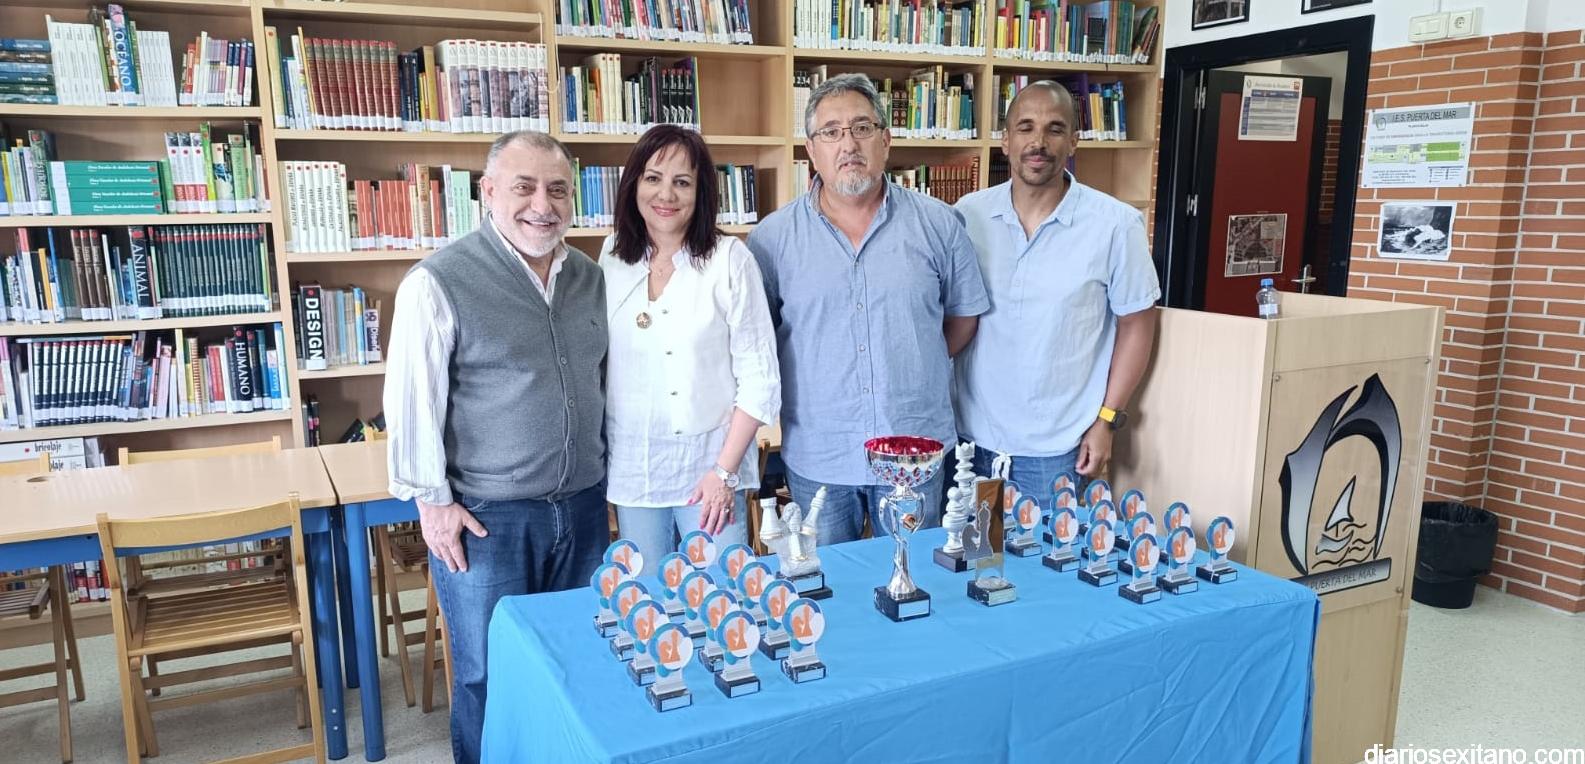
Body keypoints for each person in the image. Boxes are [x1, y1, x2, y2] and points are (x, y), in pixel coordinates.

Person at [384, 130, 607, 764]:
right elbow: (412, 402)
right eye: (524, 187)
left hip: (583, 509)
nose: (543, 204)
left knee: (576, 662)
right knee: (488, 673)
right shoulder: (437, 281)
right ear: (487, 192)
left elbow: (601, 383)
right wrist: (433, 506)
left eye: (557, 190)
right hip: (487, 520)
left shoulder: (590, 277)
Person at [748, 73, 990, 545]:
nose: (848, 144)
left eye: (862, 128)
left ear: (885, 140)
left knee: (917, 579)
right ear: (811, 150)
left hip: (915, 450)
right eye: (831, 132)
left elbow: (964, 318)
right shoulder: (772, 240)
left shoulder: (939, 224)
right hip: (820, 453)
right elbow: (762, 338)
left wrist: (911, 357)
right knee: (824, 584)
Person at [954, 80, 1160, 502]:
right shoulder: (967, 216)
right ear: (1005, 141)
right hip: (969, 441)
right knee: (971, 548)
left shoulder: (1115, 225)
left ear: (1073, 141)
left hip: (1058, 451)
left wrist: (1107, 420)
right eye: (1025, 127)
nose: (1039, 142)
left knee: (1046, 548)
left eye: (1055, 128)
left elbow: (1138, 326)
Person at [599, 124, 780, 577]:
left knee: (723, 595)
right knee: (646, 597)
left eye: (682, 182)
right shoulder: (612, 256)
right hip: (636, 466)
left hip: (710, 470)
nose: (666, 194)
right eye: (653, 178)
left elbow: (759, 377)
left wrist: (723, 473)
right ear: (633, 184)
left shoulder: (729, 259)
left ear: (701, 194)